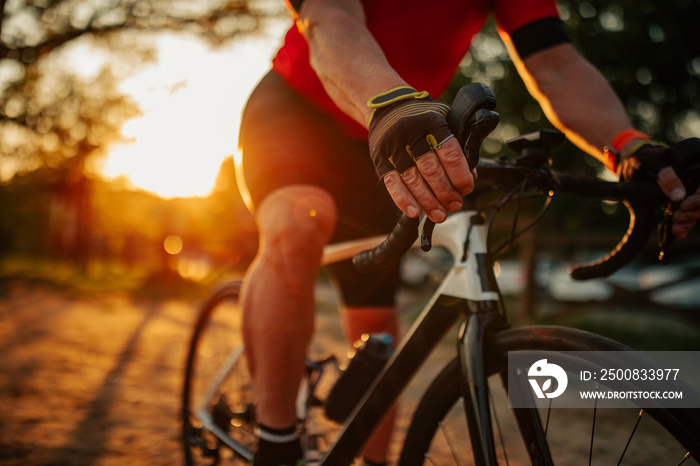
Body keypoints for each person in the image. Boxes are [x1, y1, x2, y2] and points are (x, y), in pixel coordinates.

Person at [236, 1, 700, 464]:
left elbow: (555, 64)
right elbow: (329, 20)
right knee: (297, 227)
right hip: (298, 116)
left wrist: (627, 146)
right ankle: (276, 444)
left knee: (375, 325)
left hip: (391, 138)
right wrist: (391, 102)